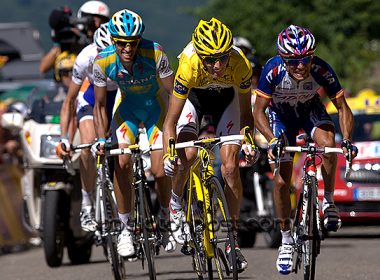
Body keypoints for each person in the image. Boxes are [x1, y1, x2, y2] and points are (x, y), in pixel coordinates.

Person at [253, 24, 358, 275]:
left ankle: (328, 201)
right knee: (281, 180)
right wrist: (271, 139)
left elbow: (342, 107)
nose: (301, 66)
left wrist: (348, 140)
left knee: (329, 145)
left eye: (306, 59)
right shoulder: (273, 70)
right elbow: (258, 112)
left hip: (310, 113)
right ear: (283, 58)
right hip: (280, 119)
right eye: (293, 61)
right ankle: (286, 239)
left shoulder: (321, 69)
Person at [162, 18, 256, 272]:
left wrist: (248, 141)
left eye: (222, 58)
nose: (216, 66)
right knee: (187, 154)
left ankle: (232, 241)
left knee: (229, 168)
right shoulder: (188, 64)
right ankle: (175, 202)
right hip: (195, 99)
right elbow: (170, 121)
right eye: (209, 60)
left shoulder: (240, 64)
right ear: (199, 56)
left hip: (227, 100)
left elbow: (247, 114)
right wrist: (169, 154)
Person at [92, 9, 176, 256]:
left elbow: (173, 94)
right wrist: (100, 137)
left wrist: (172, 128)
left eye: (132, 43)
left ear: (139, 40)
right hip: (126, 111)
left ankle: (165, 219)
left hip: (155, 110)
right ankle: (126, 229)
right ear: (113, 41)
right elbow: (99, 106)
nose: (127, 49)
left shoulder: (155, 52)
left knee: (161, 169)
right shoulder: (103, 61)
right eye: (121, 43)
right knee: (123, 161)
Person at [58, 23, 118, 232]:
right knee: (86, 147)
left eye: (111, 53)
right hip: (92, 99)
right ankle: (86, 202)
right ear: (95, 48)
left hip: (118, 97)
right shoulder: (84, 58)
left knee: (126, 150)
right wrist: (64, 137)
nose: (106, 58)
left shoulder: (127, 54)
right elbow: (70, 100)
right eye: (102, 52)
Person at [40, 1, 110, 74]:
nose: (97, 25)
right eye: (93, 21)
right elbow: (43, 68)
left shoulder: (105, 43)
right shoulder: (72, 38)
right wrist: (59, 45)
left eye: (102, 22)